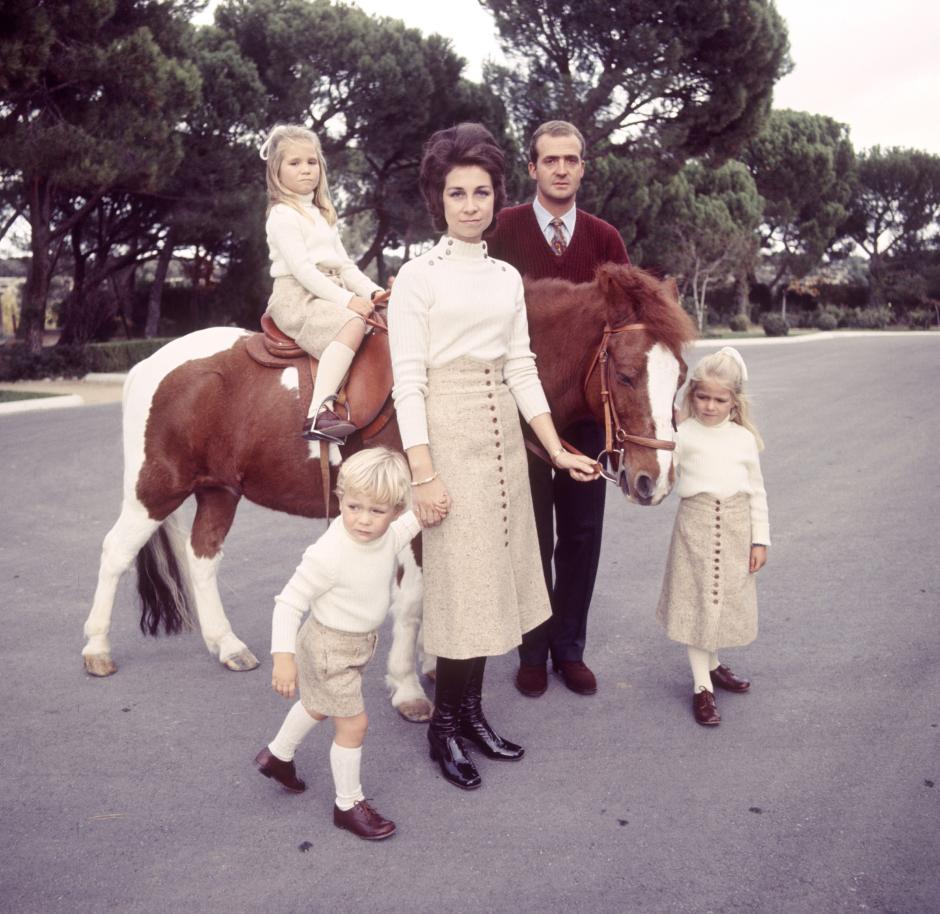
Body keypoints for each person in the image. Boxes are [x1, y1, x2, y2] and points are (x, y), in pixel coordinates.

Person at [388, 123, 600, 791]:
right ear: (438, 199)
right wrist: (423, 472)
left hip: (505, 444)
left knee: (488, 586)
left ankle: (471, 712)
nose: (472, 205)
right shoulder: (416, 278)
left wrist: (556, 447)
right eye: (458, 193)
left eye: (482, 192)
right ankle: (442, 730)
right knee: (457, 588)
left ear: (495, 196)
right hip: (446, 437)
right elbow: (409, 381)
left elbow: (520, 366)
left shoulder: (507, 277)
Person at [486, 120, 630, 699]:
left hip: (590, 419)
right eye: (551, 161)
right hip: (518, 415)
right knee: (528, 535)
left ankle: (570, 649)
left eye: (572, 160)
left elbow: (625, 327)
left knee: (581, 534)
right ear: (533, 168)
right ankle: (532, 648)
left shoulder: (605, 239)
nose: (562, 169)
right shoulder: (502, 231)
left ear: (582, 167)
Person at [253, 447, 421, 840]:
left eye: (376, 511)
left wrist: (429, 509)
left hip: (354, 645)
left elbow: (401, 532)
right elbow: (288, 602)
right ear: (340, 499)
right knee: (354, 724)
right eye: (353, 506)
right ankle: (348, 804)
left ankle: (277, 755)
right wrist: (283, 659)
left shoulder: (386, 533)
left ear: (395, 510)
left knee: (316, 705)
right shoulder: (329, 553)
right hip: (330, 648)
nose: (363, 519)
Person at [655, 347, 770, 727]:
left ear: (734, 401)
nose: (709, 406)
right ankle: (702, 686)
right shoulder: (681, 435)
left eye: (719, 399)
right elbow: (658, 479)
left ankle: (715, 664)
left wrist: (760, 540)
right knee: (698, 602)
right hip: (696, 526)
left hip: (738, 527)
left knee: (720, 601)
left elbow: (757, 491)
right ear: (691, 395)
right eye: (702, 397)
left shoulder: (743, 439)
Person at [260, 124, 389, 442]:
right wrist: (348, 303)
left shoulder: (323, 214)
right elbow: (303, 271)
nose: (306, 169)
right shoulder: (282, 215)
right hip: (297, 296)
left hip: (328, 290)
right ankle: (318, 412)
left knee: (380, 319)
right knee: (353, 323)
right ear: (277, 171)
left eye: (311, 162)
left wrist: (373, 292)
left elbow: (344, 266)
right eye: (294, 163)